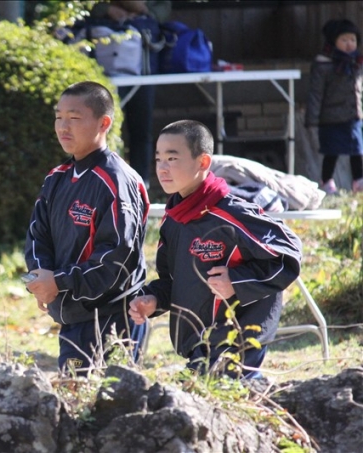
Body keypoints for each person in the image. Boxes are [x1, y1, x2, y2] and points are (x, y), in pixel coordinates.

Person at [128, 120, 303, 379]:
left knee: (231, 395)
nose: (162, 168)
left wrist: (237, 281)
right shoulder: (173, 220)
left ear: (203, 162)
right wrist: (153, 300)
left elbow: (288, 255)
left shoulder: (232, 213)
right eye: (158, 159)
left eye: (172, 158)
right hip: (199, 346)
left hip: (239, 341)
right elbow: (172, 282)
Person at [24, 81, 150, 375]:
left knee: (108, 397)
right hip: (72, 315)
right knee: (73, 392)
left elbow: (118, 259)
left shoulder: (117, 181)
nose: (63, 126)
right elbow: (37, 236)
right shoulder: (57, 177)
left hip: (113, 318)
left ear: (104, 123)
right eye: (59, 117)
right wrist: (41, 280)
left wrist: (59, 282)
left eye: (74, 118)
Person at [90, 1, 172, 189]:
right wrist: (108, 10)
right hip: (109, 71)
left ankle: (141, 186)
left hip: (144, 70)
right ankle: (107, 184)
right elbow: (89, 8)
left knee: (141, 131)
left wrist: (144, 11)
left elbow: (163, 10)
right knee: (108, 129)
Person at [305, 19, 363, 194]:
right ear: (333, 41)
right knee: (332, 151)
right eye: (344, 40)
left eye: (352, 40)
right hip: (330, 117)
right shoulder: (324, 65)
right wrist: (312, 120)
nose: (349, 44)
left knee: (357, 150)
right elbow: (315, 94)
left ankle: (359, 181)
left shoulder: (357, 63)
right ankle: (327, 181)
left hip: (353, 116)